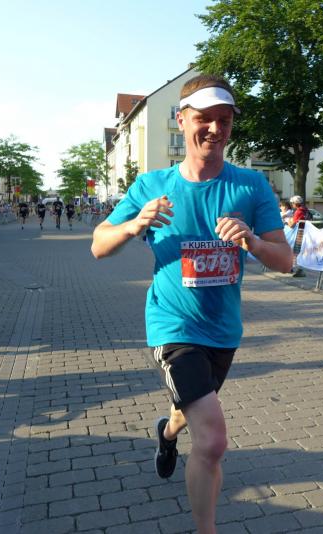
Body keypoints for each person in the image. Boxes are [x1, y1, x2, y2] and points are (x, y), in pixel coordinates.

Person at [91, 74, 292, 534]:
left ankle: (166, 433)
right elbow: (98, 246)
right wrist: (134, 225)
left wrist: (254, 242)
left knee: (190, 411)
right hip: (173, 326)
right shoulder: (151, 186)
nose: (216, 129)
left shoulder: (251, 186)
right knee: (214, 439)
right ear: (182, 121)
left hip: (223, 330)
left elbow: (285, 260)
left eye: (225, 120)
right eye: (204, 118)